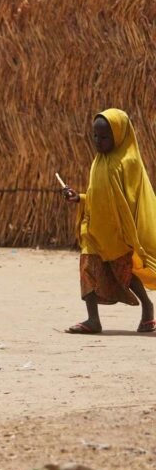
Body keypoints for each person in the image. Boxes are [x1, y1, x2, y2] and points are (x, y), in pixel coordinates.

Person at [61, 108, 156, 334]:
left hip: (117, 233)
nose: (98, 141)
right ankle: (93, 319)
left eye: (104, 137)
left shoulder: (128, 162)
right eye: (95, 136)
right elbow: (98, 196)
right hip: (95, 230)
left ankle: (148, 308)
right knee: (87, 269)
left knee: (125, 274)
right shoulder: (99, 161)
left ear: (119, 136)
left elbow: (131, 201)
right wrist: (79, 198)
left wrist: (130, 235)